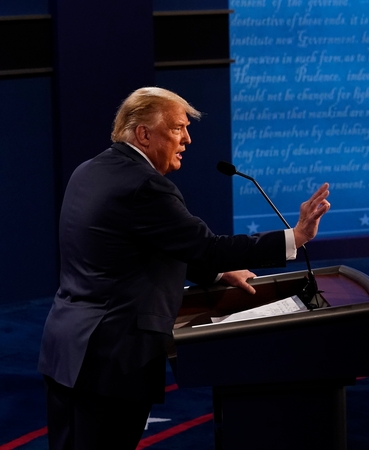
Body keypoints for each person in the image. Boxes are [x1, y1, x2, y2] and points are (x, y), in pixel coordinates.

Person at [38, 87, 331, 449]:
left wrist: (219, 274)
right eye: (178, 128)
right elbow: (207, 248)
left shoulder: (90, 170)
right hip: (111, 362)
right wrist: (296, 237)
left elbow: (136, 247)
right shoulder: (145, 186)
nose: (187, 139)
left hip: (68, 350)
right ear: (144, 134)